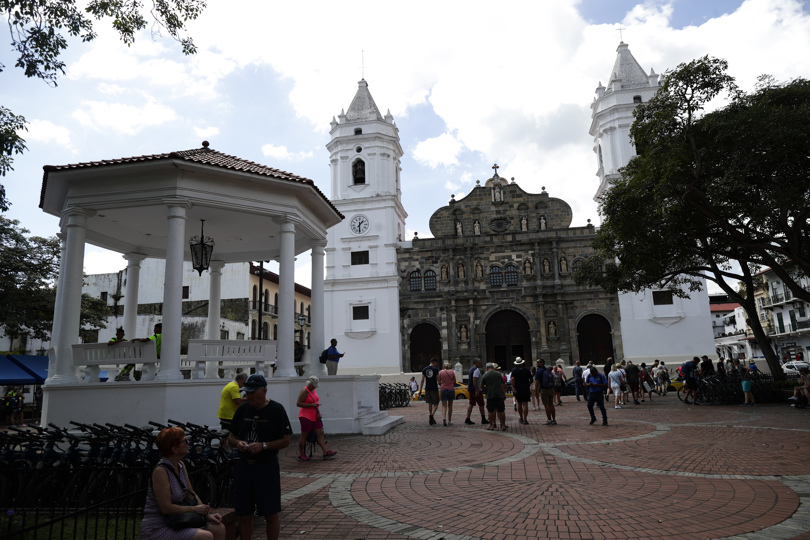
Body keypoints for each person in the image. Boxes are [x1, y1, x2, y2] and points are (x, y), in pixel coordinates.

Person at [228, 374, 292, 540]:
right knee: (243, 513)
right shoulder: (243, 409)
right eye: (246, 393)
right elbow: (231, 436)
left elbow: (286, 440)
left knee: (270, 513)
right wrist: (238, 443)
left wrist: (264, 446)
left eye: (252, 393)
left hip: (266, 466)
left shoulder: (276, 410)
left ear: (264, 391)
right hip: (244, 467)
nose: (248, 397)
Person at [140, 427, 225, 540]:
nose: (188, 443)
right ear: (175, 449)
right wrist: (194, 509)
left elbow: (190, 493)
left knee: (218, 528)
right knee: (205, 536)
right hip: (159, 526)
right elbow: (166, 508)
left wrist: (206, 515)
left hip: (178, 521)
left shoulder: (180, 465)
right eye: (185, 441)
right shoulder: (160, 471)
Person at [295, 376, 336, 461]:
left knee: (320, 433)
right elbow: (298, 403)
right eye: (313, 385)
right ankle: (301, 454)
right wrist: (310, 405)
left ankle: (325, 452)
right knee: (304, 435)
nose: (314, 387)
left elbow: (315, 400)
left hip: (315, 415)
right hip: (305, 416)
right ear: (309, 384)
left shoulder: (313, 390)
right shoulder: (304, 391)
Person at [480, 362, 507, 431]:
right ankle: (503, 425)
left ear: (486, 368)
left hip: (490, 395)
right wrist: (503, 393)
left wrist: (487, 389)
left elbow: (481, 386)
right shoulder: (498, 374)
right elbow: (502, 384)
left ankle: (491, 425)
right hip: (499, 395)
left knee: (490, 411)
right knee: (501, 410)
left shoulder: (485, 376)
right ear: (492, 367)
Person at [464, 358, 487, 425]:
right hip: (476, 390)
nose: (480, 363)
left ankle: (467, 418)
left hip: (471, 389)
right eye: (479, 362)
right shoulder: (476, 370)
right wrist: (477, 390)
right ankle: (483, 419)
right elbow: (475, 380)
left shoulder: (471, 369)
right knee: (481, 404)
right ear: (476, 363)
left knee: (471, 404)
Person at [534, 359, 556, 425]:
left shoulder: (538, 371)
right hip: (551, 388)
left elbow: (537, 382)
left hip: (544, 389)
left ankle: (549, 420)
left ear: (542, 363)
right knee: (551, 404)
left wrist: (536, 391)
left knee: (546, 405)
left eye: (538, 362)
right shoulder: (548, 369)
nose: (537, 363)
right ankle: (554, 419)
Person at [510, 358, 532, 424]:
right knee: (525, 404)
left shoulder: (514, 370)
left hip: (518, 389)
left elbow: (512, 379)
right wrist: (528, 384)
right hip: (525, 388)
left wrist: (513, 388)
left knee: (519, 403)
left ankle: (521, 418)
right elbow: (531, 379)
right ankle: (525, 419)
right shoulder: (527, 370)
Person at [419, 358, 440, 425]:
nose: (436, 365)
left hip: (427, 388)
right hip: (434, 388)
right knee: (436, 403)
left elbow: (422, 380)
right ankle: (432, 415)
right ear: (434, 362)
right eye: (436, 363)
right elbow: (438, 380)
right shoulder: (435, 369)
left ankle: (431, 417)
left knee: (430, 403)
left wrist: (420, 389)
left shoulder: (424, 369)